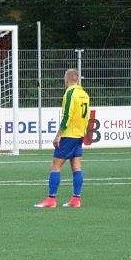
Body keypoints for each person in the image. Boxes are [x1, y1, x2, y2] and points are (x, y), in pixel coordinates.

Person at [34, 68, 90, 208]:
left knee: (55, 165)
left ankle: (51, 199)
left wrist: (58, 135)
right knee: (76, 166)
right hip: (79, 135)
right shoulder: (84, 94)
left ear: (67, 79)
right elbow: (86, 116)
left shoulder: (70, 93)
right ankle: (76, 199)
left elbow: (66, 116)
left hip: (69, 135)